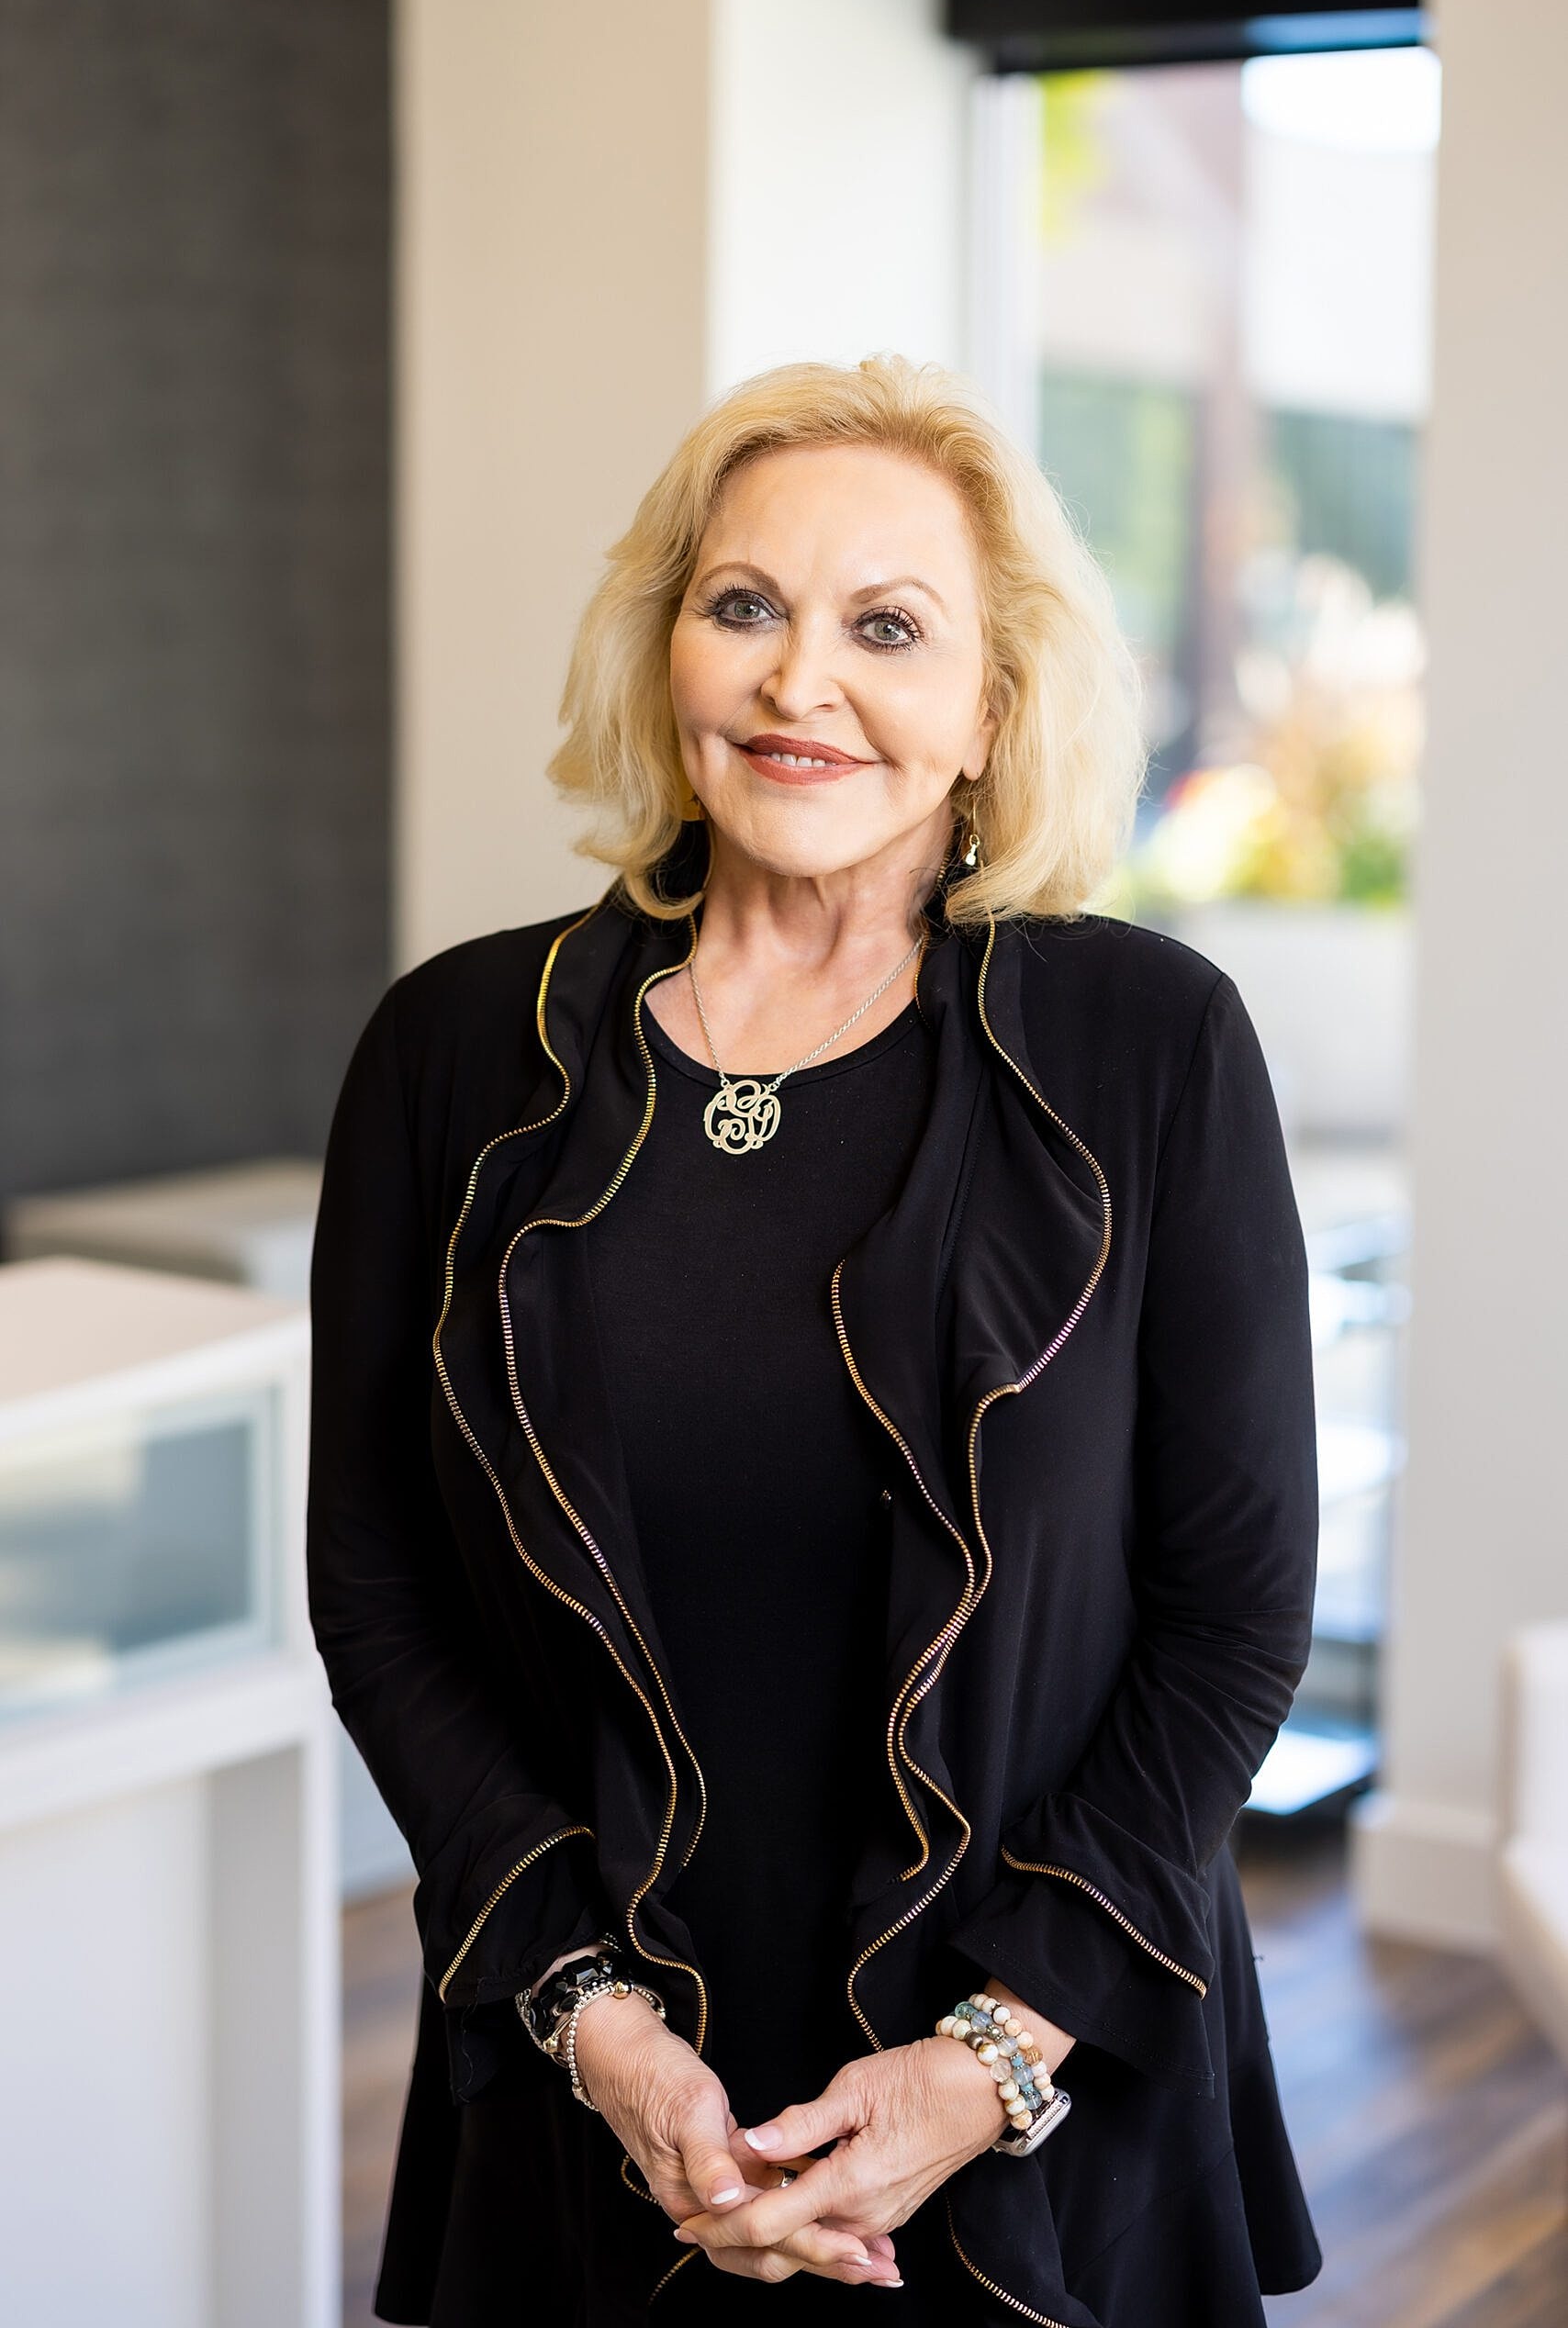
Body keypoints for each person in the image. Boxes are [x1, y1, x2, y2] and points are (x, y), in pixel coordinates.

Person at [307, 353, 1325, 2324]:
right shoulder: (447, 1052)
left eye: (886, 627)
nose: (797, 684)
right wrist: (593, 2021)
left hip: (1040, 2088)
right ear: (664, 643)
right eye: (743, 606)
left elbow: (1230, 1611)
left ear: (990, 707)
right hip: (585, 2075)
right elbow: (381, 1586)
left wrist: (985, 2058)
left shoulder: (1147, 1044)